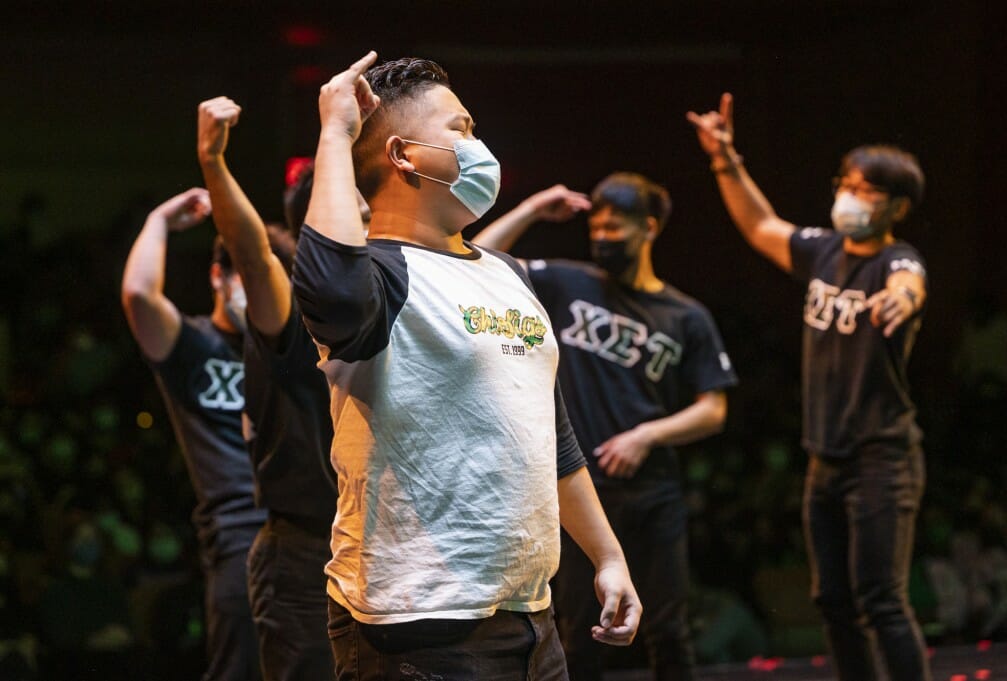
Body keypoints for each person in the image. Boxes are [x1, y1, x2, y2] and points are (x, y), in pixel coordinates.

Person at [291, 51, 642, 680]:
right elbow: (331, 290)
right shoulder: (380, 276)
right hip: (416, 621)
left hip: (531, 611)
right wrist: (336, 133)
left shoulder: (505, 273)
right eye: (461, 129)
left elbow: (549, 436)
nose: (479, 144)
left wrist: (608, 556)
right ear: (404, 155)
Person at [688, 93, 931, 681]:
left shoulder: (899, 260)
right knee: (833, 601)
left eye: (866, 189)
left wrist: (901, 301)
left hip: (883, 457)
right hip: (825, 457)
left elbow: (910, 285)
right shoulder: (824, 250)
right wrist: (726, 160)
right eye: (846, 182)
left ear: (896, 206)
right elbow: (760, 224)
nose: (849, 194)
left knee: (882, 599)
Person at [474, 176, 739, 680]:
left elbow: (714, 409)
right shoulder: (566, 282)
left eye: (614, 225)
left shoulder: (686, 316)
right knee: (578, 630)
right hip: (578, 494)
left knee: (668, 629)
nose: (602, 235)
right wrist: (531, 208)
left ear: (650, 229)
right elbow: (477, 257)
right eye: (595, 225)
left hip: (653, 493)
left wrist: (648, 435)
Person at [197, 95, 341, 680]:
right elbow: (253, 255)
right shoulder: (291, 301)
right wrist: (212, 160)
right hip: (303, 551)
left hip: (374, 547)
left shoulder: (379, 296)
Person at [121, 188, 264, 681]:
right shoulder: (193, 345)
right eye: (243, 271)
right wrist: (159, 219)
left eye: (263, 272)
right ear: (217, 277)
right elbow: (140, 295)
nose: (255, 284)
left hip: (318, 539)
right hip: (239, 540)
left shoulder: (292, 350)